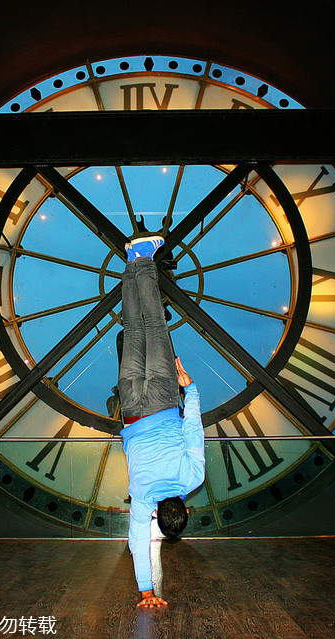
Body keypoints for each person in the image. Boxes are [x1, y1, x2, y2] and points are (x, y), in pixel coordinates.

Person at [117, 234, 205, 609]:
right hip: (132, 408)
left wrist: (191, 389)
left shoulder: (192, 478)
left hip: (166, 401)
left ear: (183, 510)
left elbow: (193, 428)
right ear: (158, 514)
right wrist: (146, 592)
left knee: (154, 325)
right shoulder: (140, 498)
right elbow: (138, 543)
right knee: (133, 327)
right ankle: (131, 263)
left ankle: (144, 259)